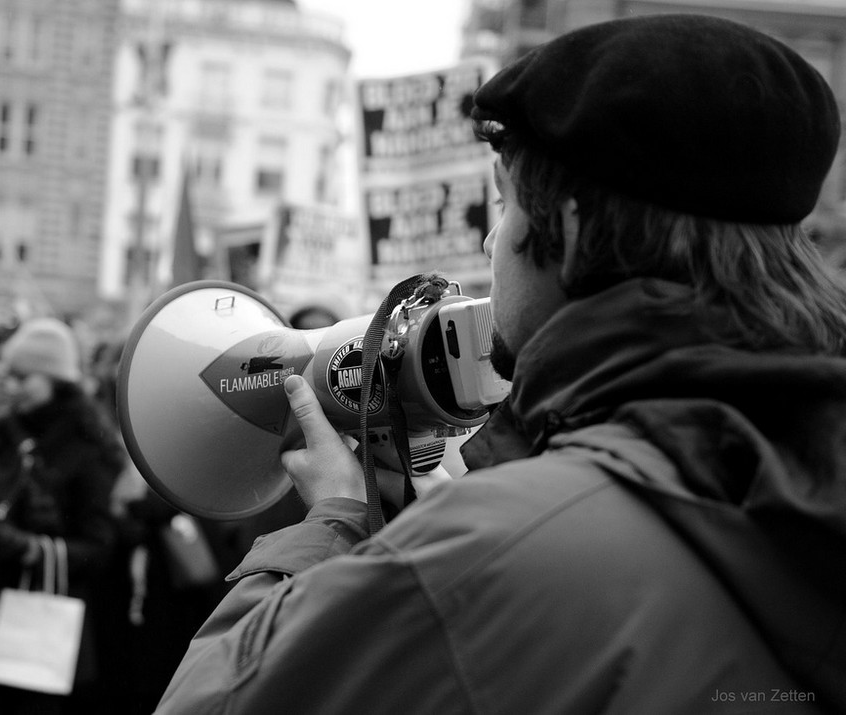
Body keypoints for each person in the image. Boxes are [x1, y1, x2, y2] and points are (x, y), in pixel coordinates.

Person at [152, 14, 846, 714]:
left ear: (570, 229)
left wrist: (335, 522)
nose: (490, 241)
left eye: (505, 203)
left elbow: (207, 703)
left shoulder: (488, 549)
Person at [0, 317, 124, 715]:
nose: (12, 386)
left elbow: (99, 547)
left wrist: (27, 548)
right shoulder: (5, 429)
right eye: (10, 376)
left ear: (56, 378)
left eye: (25, 377)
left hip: (48, 613)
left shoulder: (87, 442)